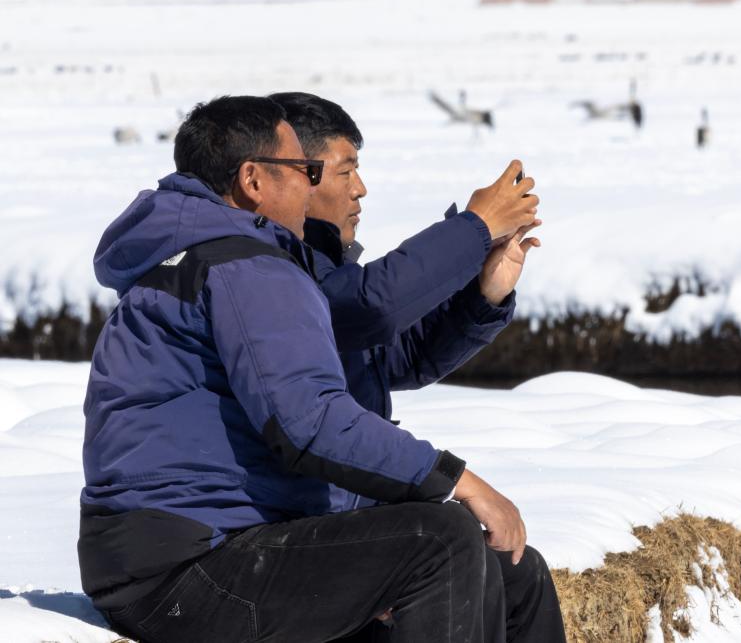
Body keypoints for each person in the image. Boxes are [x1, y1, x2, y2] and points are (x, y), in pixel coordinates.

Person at [79, 95, 562, 642]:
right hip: (186, 565)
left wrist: (481, 296)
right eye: (306, 171)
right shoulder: (244, 265)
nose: (315, 189)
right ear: (253, 180)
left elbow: (368, 367)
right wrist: (458, 480)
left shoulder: (208, 255)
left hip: (166, 556)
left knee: (510, 574)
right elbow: (311, 422)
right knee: (440, 540)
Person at [266, 92, 559, 641]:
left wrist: (484, 295)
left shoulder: (322, 265)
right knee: (449, 547)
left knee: (520, 574)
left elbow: (396, 357)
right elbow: (368, 308)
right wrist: (474, 228)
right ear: (296, 175)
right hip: (290, 530)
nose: (360, 188)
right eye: (346, 170)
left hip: (346, 510)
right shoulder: (269, 269)